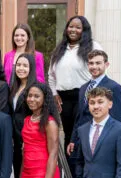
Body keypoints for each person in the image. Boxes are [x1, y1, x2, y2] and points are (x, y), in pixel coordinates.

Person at [48, 16, 102, 153]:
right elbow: (51, 75)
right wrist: (54, 93)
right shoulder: (59, 49)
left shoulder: (93, 46)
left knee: (80, 133)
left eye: (78, 27)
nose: (73, 30)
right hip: (63, 98)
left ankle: (80, 170)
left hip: (84, 95)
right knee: (68, 134)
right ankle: (69, 172)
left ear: (84, 30)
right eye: (71, 26)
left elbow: (101, 69)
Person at [67, 50, 121, 175]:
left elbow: (117, 119)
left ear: (106, 64)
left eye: (98, 63)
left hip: (101, 142)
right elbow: (79, 116)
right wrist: (73, 139)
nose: (94, 67)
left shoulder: (115, 88)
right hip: (81, 140)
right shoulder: (83, 88)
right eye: (91, 63)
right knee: (80, 176)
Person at [8, 53, 38, 178]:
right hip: (15, 141)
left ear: (31, 68)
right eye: (18, 65)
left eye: (25, 65)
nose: (21, 68)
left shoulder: (34, 88)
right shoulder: (14, 88)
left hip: (29, 141)